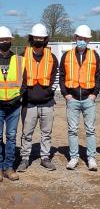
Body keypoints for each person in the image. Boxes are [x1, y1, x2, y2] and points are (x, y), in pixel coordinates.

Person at [59, 25, 100, 171]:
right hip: (72, 99)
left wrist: (94, 94)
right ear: (75, 38)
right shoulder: (67, 55)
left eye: (85, 39)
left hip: (88, 99)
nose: (82, 41)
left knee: (90, 130)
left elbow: (98, 77)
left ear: (89, 40)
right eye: (80, 38)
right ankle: (74, 158)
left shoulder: (94, 55)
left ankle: (91, 158)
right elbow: (62, 76)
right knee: (72, 130)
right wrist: (66, 95)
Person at [17, 24, 58, 172]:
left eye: (41, 38)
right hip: (29, 103)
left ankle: (45, 157)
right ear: (31, 38)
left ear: (45, 39)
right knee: (26, 133)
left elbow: (56, 77)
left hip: (47, 103)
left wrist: (49, 92)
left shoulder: (52, 57)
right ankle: (25, 158)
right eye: (36, 37)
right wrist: (23, 94)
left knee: (46, 133)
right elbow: (19, 78)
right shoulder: (23, 56)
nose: (39, 40)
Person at [0, 26, 26, 181]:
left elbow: (25, 83)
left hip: (14, 106)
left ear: (11, 41)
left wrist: (17, 98)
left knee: (11, 136)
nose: (4, 42)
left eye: (6, 39)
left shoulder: (19, 60)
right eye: (1, 40)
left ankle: (9, 168)